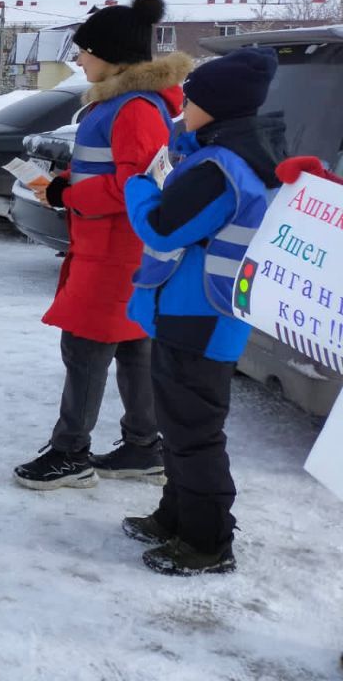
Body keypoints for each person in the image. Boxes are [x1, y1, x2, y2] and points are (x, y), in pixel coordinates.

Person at [15, 0, 191, 490]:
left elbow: (142, 184)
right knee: (133, 345)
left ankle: (71, 453)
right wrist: (64, 181)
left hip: (117, 251)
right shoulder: (120, 105)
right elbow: (110, 168)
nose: (78, 58)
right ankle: (142, 446)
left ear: (112, 55)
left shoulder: (135, 107)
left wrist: (73, 192)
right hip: (111, 245)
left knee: (86, 347)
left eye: (85, 50)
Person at [121, 47, 285, 575]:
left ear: (215, 107)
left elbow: (162, 226)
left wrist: (139, 186)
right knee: (181, 426)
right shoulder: (230, 153)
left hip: (200, 317)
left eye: (189, 100)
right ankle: (176, 516)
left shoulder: (220, 168)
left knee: (194, 433)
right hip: (197, 313)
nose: (181, 108)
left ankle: (208, 543)